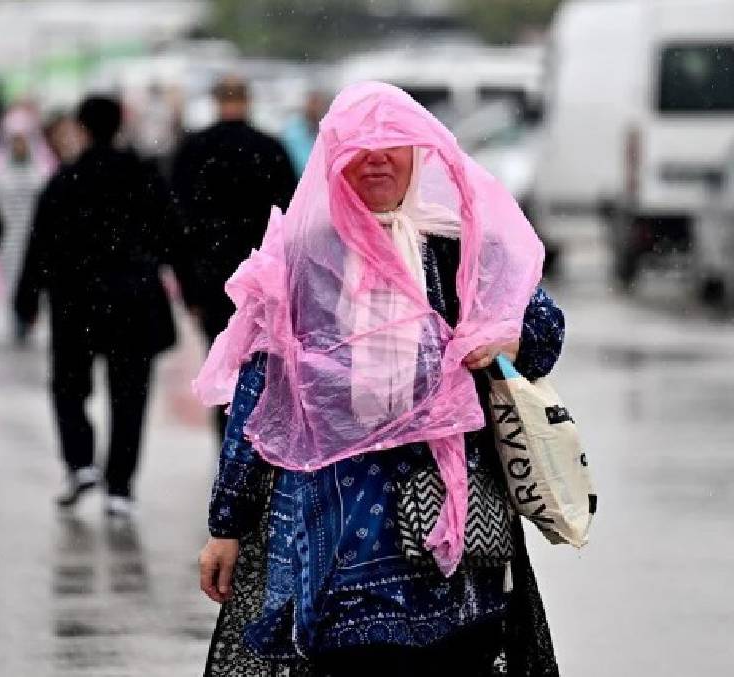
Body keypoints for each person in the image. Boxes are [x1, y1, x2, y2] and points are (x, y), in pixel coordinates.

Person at [197, 82, 563, 676]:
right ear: (332, 159)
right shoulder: (301, 261)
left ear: (420, 152)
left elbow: (544, 331)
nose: (375, 158)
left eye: (392, 144)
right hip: (337, 540)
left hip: (454, 538)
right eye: (357, 146)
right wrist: (227, 527)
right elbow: (259, 401)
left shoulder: (456, 245)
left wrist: (507, 342)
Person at [15, 95, 176, 517]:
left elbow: (41, 243)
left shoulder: (65, 180)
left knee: (69, 386)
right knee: (129, 395)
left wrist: (27, 297)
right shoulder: (143, 175)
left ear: (81, 128)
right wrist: (189, 287)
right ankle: (119, 486)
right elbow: (172, 232)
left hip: (77, 300)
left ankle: (81, 461)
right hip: (133, 299)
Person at [172, 75, 297, 441]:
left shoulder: (194, 150)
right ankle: (258, 443)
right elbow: (290, 219)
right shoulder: (271, 149)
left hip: (212, 276)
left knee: (223, 360)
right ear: (248, 100)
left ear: (214, 100)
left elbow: (180, 224)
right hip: (263, 277)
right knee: (264, 363)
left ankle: (226, 440)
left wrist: (188, 287)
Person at [0, 105, 56, 342]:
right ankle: (17, 318)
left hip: (34, 237)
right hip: (8, 238)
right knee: (10, 281)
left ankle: (28, 317)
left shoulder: (44, 169)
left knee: (32, 280)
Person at [282, 89, 329, 177]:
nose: (317, 109)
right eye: (314, 105)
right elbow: (298, 161)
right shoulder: (294, 133)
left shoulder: (328, 130)